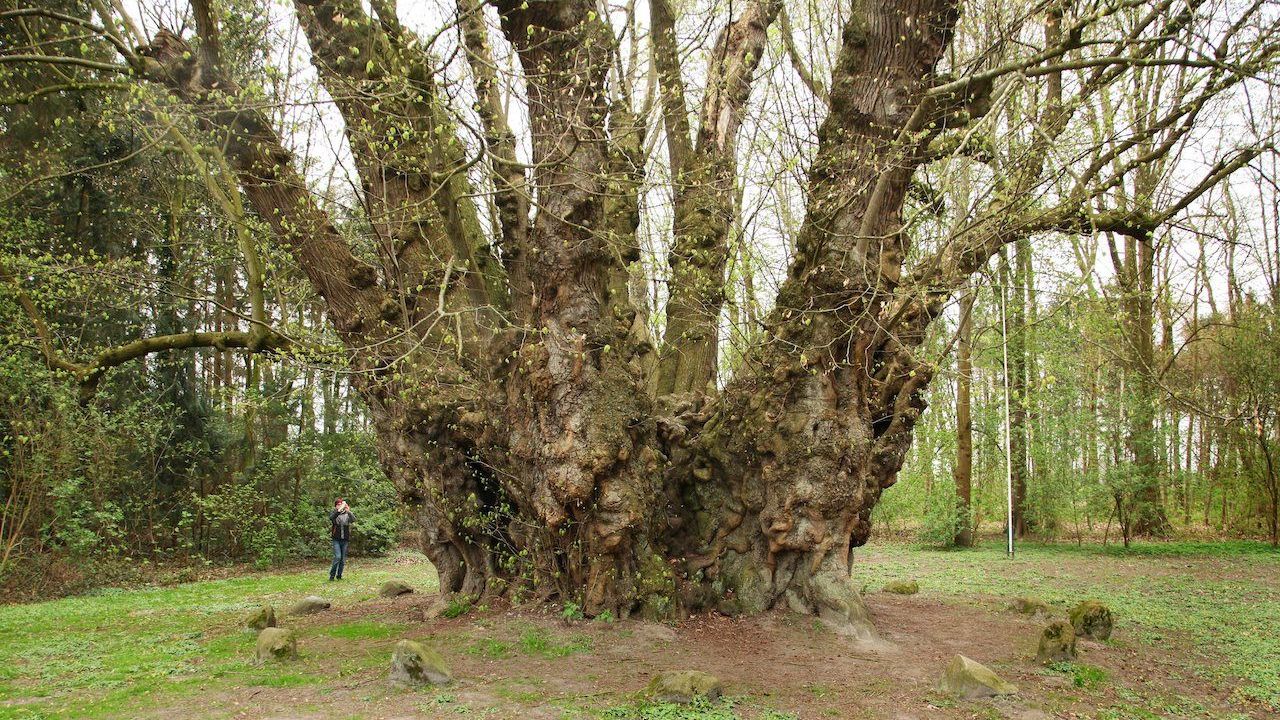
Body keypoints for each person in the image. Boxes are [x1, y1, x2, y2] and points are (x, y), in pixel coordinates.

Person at [328, 498, 355, 581]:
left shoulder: (347, 514)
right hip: (336, 539)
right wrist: (338, 511)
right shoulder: (334, 513)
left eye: (341, 504)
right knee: (338, 557)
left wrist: (348, 511)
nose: (340, 506)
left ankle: (339, 576)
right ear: (336, 506)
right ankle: (332, 576)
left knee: (342, 560)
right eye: (338, 504)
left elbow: (353, 519)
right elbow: (331, 518)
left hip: (345, 540)